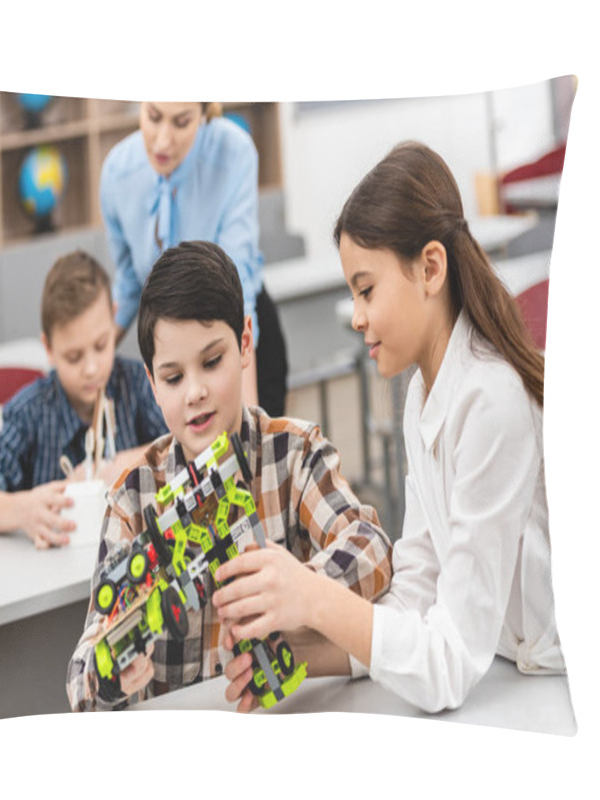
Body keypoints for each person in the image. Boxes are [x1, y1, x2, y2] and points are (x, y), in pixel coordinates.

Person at [212, 141, 566, 713]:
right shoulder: (423, 393)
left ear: (430, 268)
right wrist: (303, 651)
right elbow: (419, 589)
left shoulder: (491, 399)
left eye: (366, 289)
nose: (355, 315)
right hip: (510, 675)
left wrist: (315, 597)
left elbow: (448, 663)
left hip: (560, 686)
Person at [66, 240, 392, 711]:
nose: (196, 392)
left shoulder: (293, 454)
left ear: (244, 344)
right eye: (174, 378)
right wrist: (108, 673)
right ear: (152, 386)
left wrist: (298, 590)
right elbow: (81, 672)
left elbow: (373, 545)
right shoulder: (134, 498)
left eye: (212, 362)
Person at [0, 250, 167, 549]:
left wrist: (126, 462)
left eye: (101, 345)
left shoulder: (136, 384)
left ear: (113, 319)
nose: (92, 368)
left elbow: (186, 446)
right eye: (73, 357)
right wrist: (21, 510)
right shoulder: (30, 412)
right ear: (48, 348)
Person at [100, 101, 289, 417]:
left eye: (181, 122)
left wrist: (251, 425)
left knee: (249, 457)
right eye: (153, 117)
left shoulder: (234, 153)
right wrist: (90, 353)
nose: (162, 141)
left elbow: (239, 287)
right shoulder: (118, 172)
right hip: (172, 350)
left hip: (238, 334)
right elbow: (131, 282)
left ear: (204, 114)